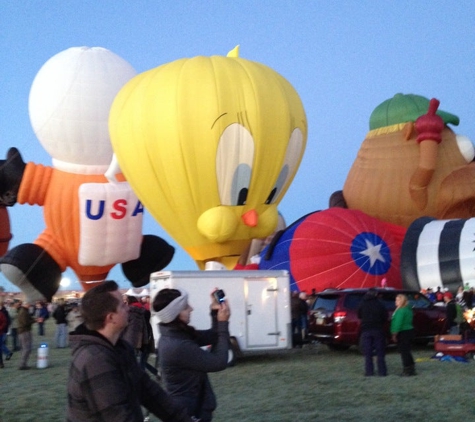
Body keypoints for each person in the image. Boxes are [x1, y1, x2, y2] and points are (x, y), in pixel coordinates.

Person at [67, 280, 191, 422]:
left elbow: (149, 392)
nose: (129, 308)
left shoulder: (120, 348)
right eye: (122, 305)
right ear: (111, 317)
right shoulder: (95, 360)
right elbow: (117, 416)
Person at [153, 287, 230, 422]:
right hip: (189, 412)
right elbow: (219, 362)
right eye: (185, 306)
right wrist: (223, 323)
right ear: (175, 314)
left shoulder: (177, 335)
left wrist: (214, 312)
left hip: (192, 408)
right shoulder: (176, 345)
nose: (191, 309)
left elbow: (212, 336)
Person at [357, 288, 388, 376]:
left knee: (368, 352)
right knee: (380, 351)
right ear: (376, 294)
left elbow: (359, 315)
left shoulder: (362, 303)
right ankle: (382, 372)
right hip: (378, 329)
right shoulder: (379, 303)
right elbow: (385, 316)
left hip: (366, 329)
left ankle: (369, 371)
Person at [121, 295, 154, 370]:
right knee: (139, 361)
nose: (124, 302)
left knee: (133, 363)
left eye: (125, 300)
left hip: (128, 340)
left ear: (130, 301)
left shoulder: (129, 312)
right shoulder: (141, 311)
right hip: (139, 340)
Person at [391, 294, 416, 376]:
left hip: (403, 332)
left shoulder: (400, 311)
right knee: (407, 350)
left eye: (397, 300)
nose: (396, 302)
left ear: (401, 301)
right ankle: (411, 367)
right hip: (409, 330)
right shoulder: (408, 309)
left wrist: (394, 333)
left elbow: (398, 322)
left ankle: (407, 369)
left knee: (403, 351)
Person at [17, 300, 35, 370]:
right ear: (26, 304)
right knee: (26, 348)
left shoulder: (23, 311)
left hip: (22, 331)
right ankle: (23, 364)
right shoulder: (24, 312)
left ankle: (23, 363)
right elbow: (25, 323)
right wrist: (34, 321)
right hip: (25, 331)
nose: (30, 305)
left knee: (24, 348)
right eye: (29, 304)